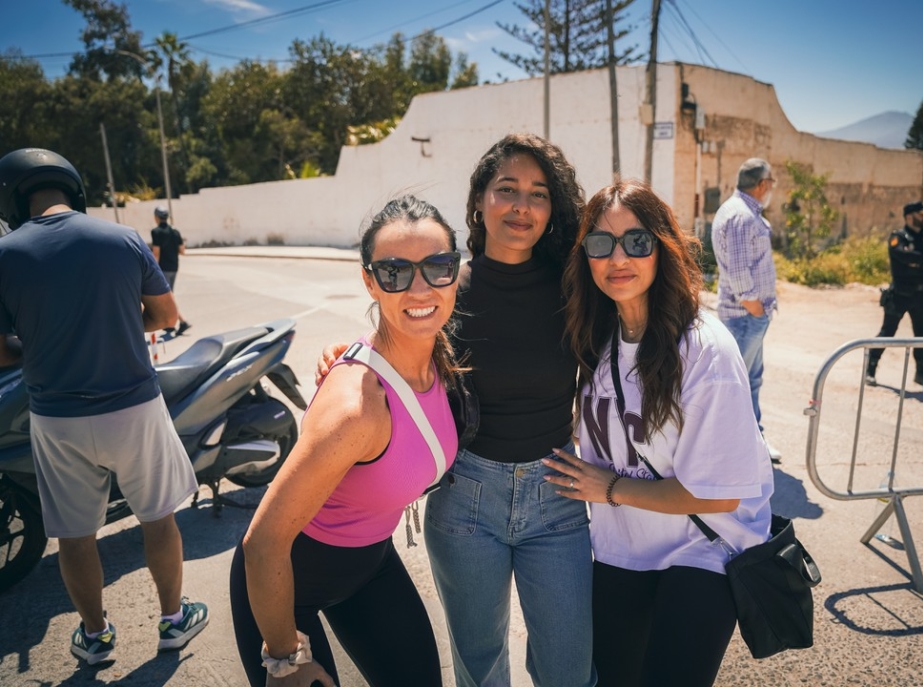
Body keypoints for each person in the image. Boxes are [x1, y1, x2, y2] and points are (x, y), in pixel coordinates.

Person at [317, 133, 594, 687]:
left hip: (558, 499)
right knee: (480, 667)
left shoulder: (575, 288)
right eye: (507, 189)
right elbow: (395, 345)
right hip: (466, 498)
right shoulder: (446, 285)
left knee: (569, 669)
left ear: (552, 209)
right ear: (479, 200)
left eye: (539, 194)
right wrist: (345, 358)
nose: (521, 206)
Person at [545, 180, 773, 687]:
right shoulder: (593, 338)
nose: (618, 258)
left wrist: (609, 487)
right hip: (620, 548)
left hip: (701, 553)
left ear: (663, 246)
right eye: (600, 243)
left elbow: (718, 496)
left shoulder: (705, 348)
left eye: (636, 241)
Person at [230, 195, 462, 687]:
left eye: (438, 267)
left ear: (455, 272)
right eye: (395, 272)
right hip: (282, 591)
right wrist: (284, 660)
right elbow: (264, 543)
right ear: (370, 281)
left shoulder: (439, 353)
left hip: (371, 567)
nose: (420, 288)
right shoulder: (357, 409)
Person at [0, 148, 208, 665]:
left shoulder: (5, 255)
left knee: (74, 537)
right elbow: (166, 316)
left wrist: (42, 344)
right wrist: (114, 327)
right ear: (74, 190)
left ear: (12, 199)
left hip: (56, 419)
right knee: (157, 519)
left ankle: (95, 637)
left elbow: (2, 350)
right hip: (133, 408)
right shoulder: (123, 238)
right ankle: (174, 622)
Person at [711, 157, 782, 463]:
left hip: (749, 316)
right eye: (771, 183)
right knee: (736, 386)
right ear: (762, 184)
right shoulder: (741, 215)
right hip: (744, 317)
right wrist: (756, 309)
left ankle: (753, 442)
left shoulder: (741, 211)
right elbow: (740, 274)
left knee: (751, 381)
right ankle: (731, 452)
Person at [865, 201, 923, 387]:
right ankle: (871, 369)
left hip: (922, 295)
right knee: (888, 331)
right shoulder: (898, 237)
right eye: (921, 215)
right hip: (900, 294)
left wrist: (916, 260)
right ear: (909, 217)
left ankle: (921, 372)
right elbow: (902, 255)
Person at [151, 206, 191, 336]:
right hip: (174, 267)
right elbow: (182, 251)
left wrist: (153, 270)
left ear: (156, 217)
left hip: (163, 268)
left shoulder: (156, 232)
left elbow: (156, 253)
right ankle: (170, 325)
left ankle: (182, 322)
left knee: (167, 297)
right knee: (169, 295)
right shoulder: (175, 231)